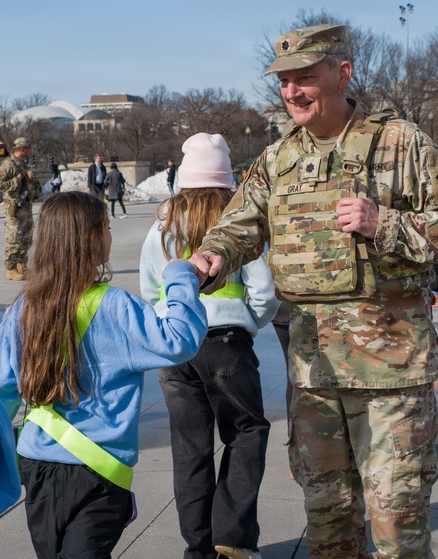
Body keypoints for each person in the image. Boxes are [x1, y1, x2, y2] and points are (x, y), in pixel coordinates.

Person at [187, 24, 438, 559]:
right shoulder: (278, 159)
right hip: (314, 377)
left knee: (398, 529)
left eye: (305, 78)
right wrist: (212, 256)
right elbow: (238, 225)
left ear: (342, 73)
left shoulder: (401, 142)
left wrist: (385, 224)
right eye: (284, 81)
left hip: (392, 376)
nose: (291, 92)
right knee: (328, 527)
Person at [0, 191, 208, 559]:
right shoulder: (115, 306)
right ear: (91, 239)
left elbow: (0, 391)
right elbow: (179, 340)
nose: (110, 235)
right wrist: (181, 276)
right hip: (97, 470)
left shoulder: (23, 308)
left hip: (37, 465)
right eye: (105, 228)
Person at [139, 133, 279, 559]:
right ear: (226, 178)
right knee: (246, 432)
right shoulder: (235, 227)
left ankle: (197, 547)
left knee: (189, 447)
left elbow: (149, 289)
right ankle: (233, 539)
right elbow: (265, 291)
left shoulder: (163, 224)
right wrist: (247, 324)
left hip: (176, 348)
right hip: (226, 344)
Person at [0, 137, 41, 281]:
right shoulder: (8, 164)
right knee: (14, 239)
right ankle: (11, 269)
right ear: (22, 149)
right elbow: (0, 186)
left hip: (26, 209)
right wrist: (17, 180)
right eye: (28, 149)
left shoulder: (23, 165)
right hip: (15, 210)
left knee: (26, 239)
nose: (30, 151)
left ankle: (22, 265)